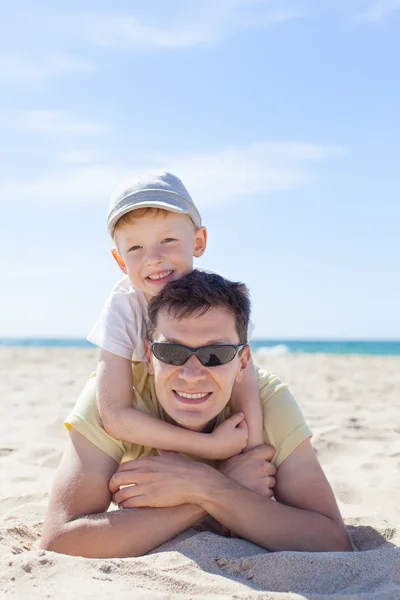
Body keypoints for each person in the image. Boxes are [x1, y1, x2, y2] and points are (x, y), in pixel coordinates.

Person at [40, 270, 352, 558]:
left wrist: (203, 485)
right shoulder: (114, 400)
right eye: (172, 353)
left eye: (214, 355)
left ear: (243, 362)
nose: (192, 374)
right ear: (149, 356)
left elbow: (332, 542)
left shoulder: (269, 402)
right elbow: (59, 543)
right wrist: (212, 490)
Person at [88, 171, 263, 458]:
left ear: (198, 242)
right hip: (148, 409)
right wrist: (209, 447)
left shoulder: (216, 300)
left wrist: (253, 456)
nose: (153, 257)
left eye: (168, 240)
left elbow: (246, 390)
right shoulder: (124, 305)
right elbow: (115, 414)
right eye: (134, 247)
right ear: (119, 260)